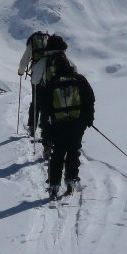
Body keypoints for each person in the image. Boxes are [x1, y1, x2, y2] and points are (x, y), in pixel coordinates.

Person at [38, 51, 95, 200]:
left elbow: (45, 108)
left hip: (58, 124)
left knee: (57, 154)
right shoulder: (79, 79)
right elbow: (90, 99)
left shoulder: (52, 83)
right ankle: (71, 180)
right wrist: (88, 119)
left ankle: (54, 185)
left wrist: (46, 129)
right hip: (77, 124)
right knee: (73, 151)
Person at [17, 32, 68, 155]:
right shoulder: (57, 51)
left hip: (39, 77)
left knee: (37, 103)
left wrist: (20, 72)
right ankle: (57, 138)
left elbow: (25, 58)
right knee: (56, 107)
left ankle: (33, 128)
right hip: (58, 82)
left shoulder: (32, 42)